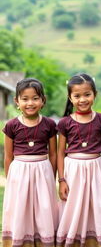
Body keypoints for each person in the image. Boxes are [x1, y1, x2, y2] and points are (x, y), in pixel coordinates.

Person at [2, 78, 58, 247]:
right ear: (17, 101)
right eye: (25, 99)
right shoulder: (11, 125)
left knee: (44, 208)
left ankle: (44, 240)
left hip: (43, 170)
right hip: (19, 171)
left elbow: (53, 154)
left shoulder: (49, 124)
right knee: (20, 207)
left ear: (43, 100)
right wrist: (10, 178)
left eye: (35, 98)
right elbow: (8, 156)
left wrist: (52, 176)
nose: (30, 103)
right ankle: (20, 239)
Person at [56, 73, 101, 247]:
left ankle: (94, 241)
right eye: (77, 96)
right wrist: (62, 179)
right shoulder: (65, 123)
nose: (82, 99)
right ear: (70, 98)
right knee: (73, 205)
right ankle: (71, 239)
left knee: (97, 205)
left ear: (95, 94)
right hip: (73, 169)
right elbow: (60, 152)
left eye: (87, 94)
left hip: (96, 167)